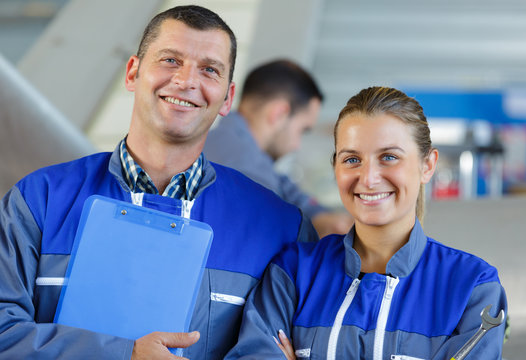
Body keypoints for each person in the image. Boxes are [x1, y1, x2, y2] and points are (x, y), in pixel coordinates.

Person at [0, 5, 317, 360]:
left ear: (227, 98)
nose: (186, 81)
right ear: (133, 73)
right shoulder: (36, 203)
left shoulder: (281, 228)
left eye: (209, 70)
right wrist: (124, 353)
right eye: (170, 60)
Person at [225, 87, 508, 359]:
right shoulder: (294, 273)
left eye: (389, 157)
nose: (369, 178)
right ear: (335, 166)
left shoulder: (472, 288)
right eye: (352, 159)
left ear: (427, 165)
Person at [203, 59, 352, 238]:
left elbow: (285, 185)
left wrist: (321, 216)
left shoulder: (229, 144)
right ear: (279, 114)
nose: (296, 145)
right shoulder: (247, 170)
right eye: (302, 130)